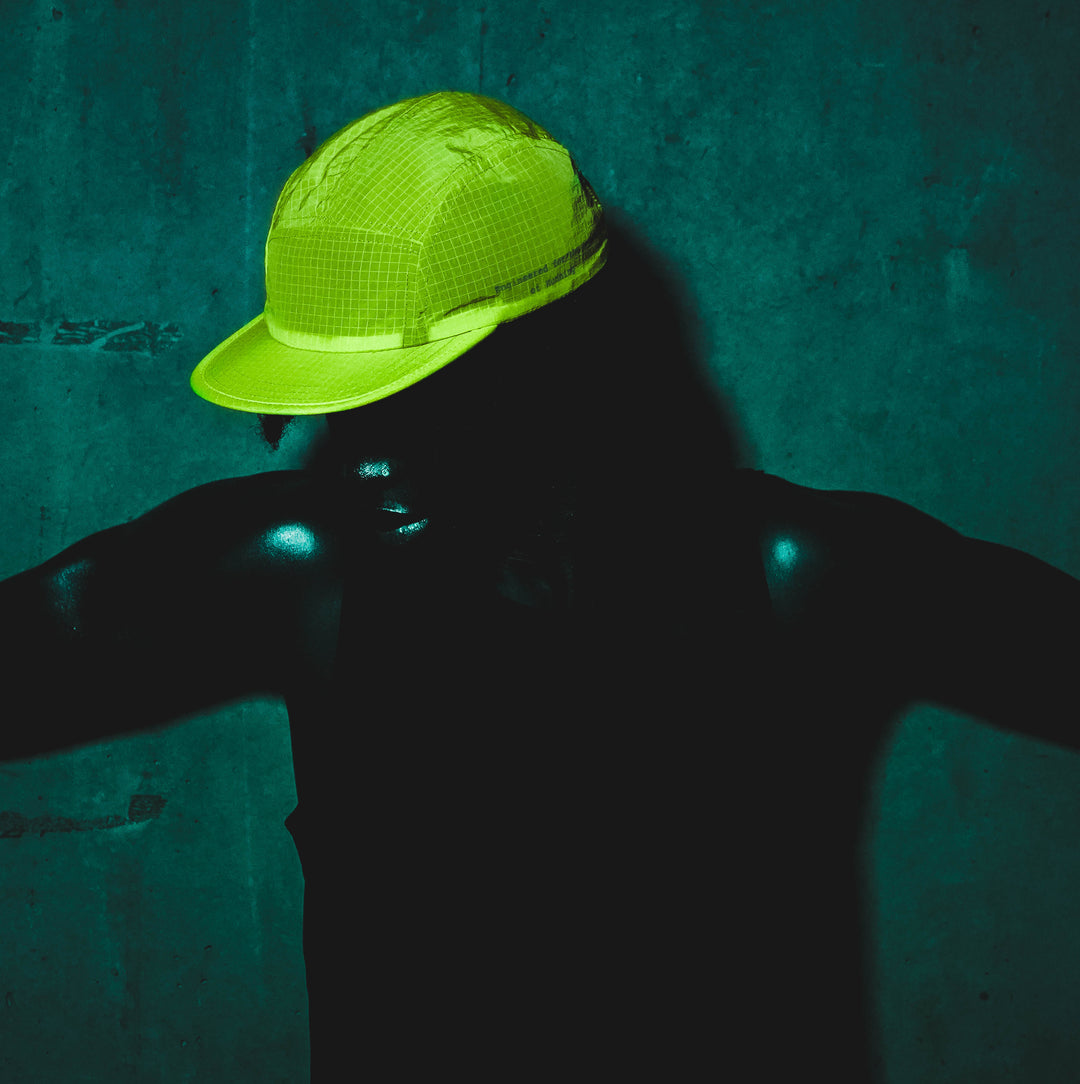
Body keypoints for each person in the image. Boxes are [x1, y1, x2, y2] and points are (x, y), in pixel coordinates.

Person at [2, 90, 1077, 1080]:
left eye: (415, 393)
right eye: (339, 400)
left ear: (563, 359)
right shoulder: (303, 571)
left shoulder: (796, 574)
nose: (361, 455)